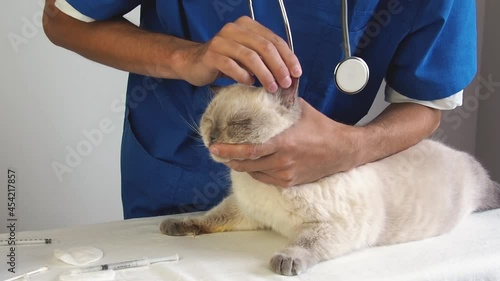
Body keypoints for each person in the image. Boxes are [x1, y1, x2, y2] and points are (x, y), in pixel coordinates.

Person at [43, 0, 477, 219]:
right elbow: (61, 17)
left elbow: (426, 99)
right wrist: (186, 58)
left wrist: (354, 147)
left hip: (319, 199)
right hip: (179, 182)